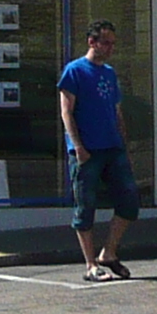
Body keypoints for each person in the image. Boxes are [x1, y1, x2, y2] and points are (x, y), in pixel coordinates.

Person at [57, 21, 136, 283]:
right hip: (87, 150)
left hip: (112, 147)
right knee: (85, 206)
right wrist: (77, 146)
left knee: (128, 203)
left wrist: (123, 143)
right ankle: (90, 265)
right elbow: (66, 111)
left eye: (113, 43)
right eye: (106, 42)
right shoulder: (74, 71)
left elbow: (116, 111)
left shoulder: (110, 73)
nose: (110, 48)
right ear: (92, 42)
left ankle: (108, 253)